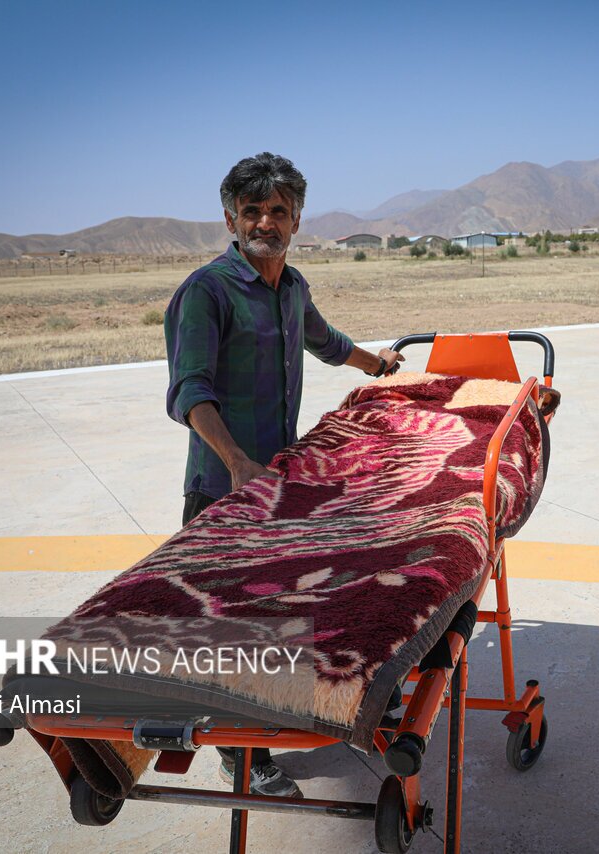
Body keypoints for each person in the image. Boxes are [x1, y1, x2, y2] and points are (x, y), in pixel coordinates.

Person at [164, 152, 405, 797]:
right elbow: (189, 391)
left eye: (278, 210)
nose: (265, 221)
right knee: (233, 628)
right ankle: (241, 755)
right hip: (224, 489)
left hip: (282, 482)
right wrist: (237, 463)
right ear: (229, 218)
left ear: (297, 218)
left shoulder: (292, 288)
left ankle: (288, 715)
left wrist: (373, 365)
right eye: (252, 211)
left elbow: (325, 341)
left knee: (286, 614)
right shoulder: (206, 292)